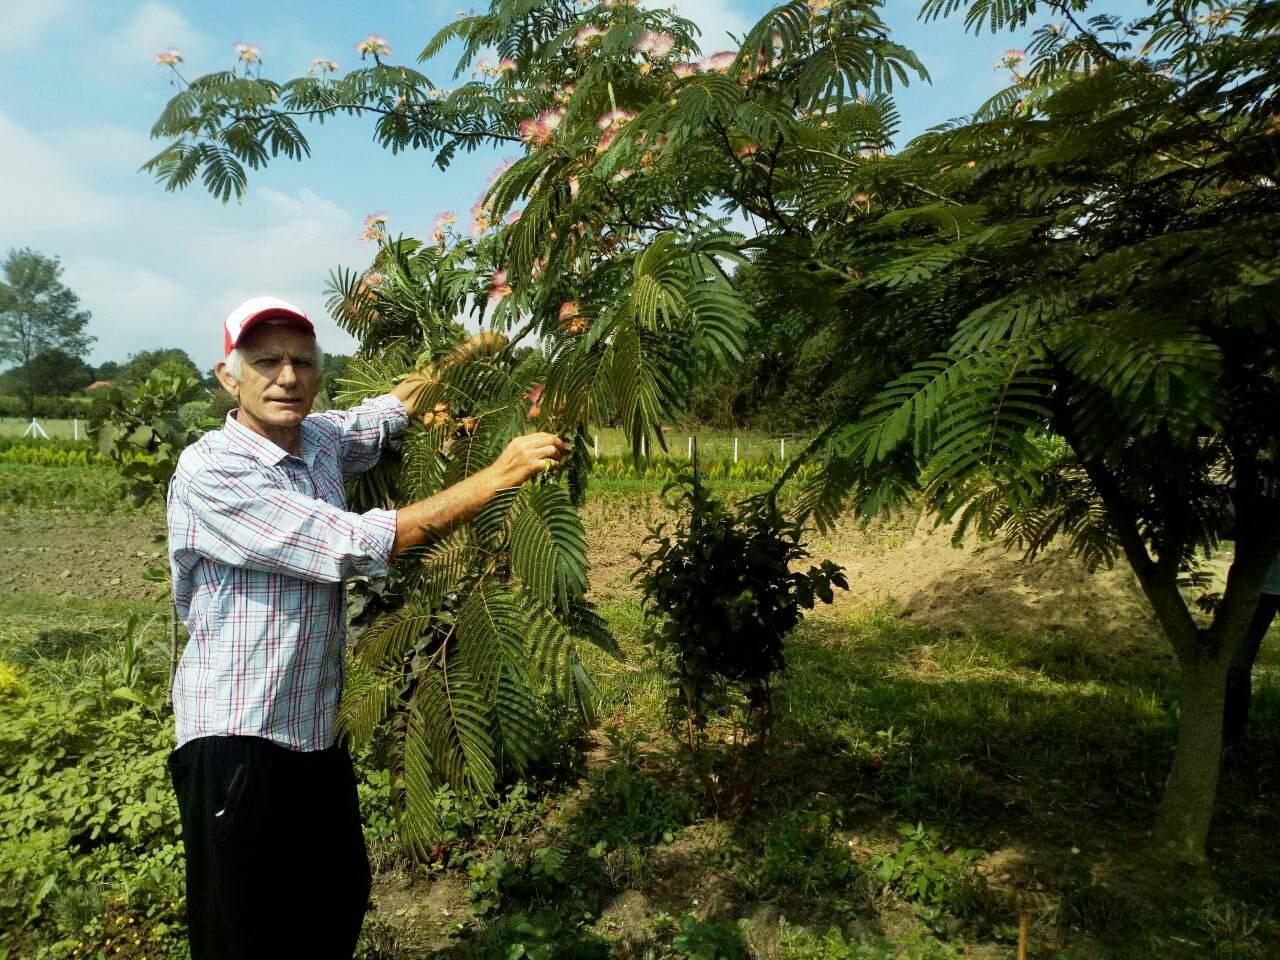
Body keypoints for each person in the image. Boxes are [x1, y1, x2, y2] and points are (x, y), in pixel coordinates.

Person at [165, 296, 565, 960]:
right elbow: (354, 543)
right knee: (243, 934)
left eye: (301, 361)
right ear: (228, 376)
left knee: (334, 902)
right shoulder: (214, 471)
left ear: (319, 372)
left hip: (315, 734)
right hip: (237, 738)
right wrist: (496, 478)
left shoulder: (319, 438)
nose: (285, 377)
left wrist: (464, 356)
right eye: (265, 362)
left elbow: (393, 406)